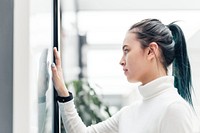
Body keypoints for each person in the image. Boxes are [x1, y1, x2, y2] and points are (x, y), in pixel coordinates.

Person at [51, 18, 200, 133]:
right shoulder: (129, 113)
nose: (121, 61)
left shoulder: (175, 109)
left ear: (150, 51)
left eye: (127, 51)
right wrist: (63, 92)